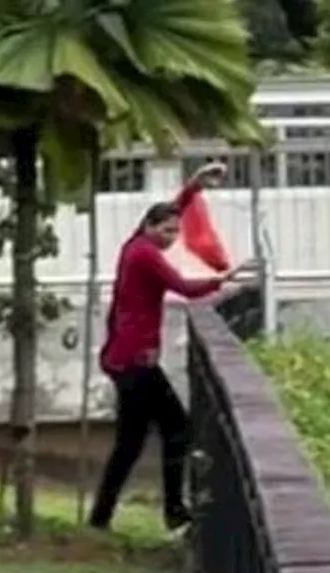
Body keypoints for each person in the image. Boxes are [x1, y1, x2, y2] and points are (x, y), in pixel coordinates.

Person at [88, 162, 234, 533]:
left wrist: (192, 188)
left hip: (124, 358)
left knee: (130, 444)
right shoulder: (146, 256)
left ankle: (101, 517)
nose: (172, 238)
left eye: (176, 232)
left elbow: (171, 210)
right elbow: (183, 287)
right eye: (167, 231)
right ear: (150, 227)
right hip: (135, 361)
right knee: (177, 427)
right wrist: (224, 282)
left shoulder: (134, 245)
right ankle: (173, 508)